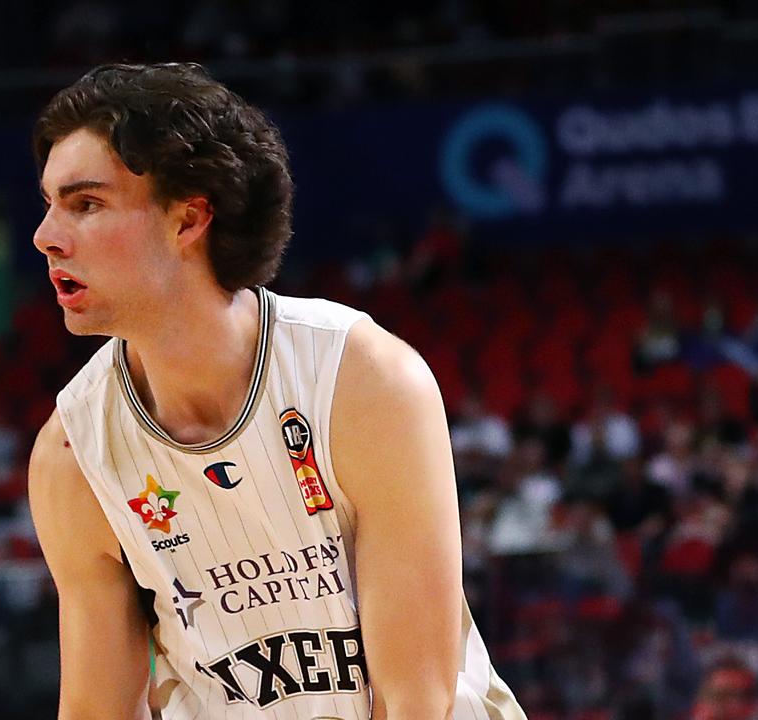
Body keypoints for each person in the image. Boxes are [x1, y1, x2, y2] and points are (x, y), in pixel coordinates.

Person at [27, 63, 525, 719]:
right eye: (49, 205)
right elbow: (96, 710)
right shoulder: (72, 453)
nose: (46, 237)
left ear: (188, 220)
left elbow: (415, 698)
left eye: (85, 205)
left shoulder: (362, 380)